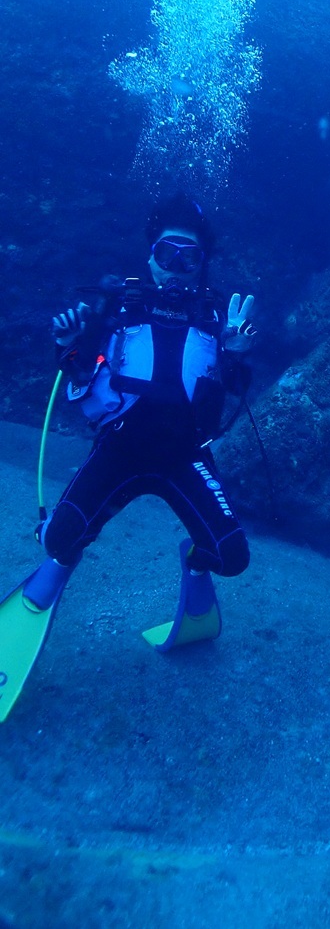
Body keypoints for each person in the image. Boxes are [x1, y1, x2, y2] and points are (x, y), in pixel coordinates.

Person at [0, 195, 256, 722]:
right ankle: (59, 566)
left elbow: (229, 393)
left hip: (185, 456)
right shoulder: (114, 311)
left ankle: (194, 560)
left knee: (231, 557)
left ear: (202, 262)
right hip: (120, 449)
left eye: (190, 257)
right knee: (57, 539)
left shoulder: (214, 320)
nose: (177, 268)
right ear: (150, 258)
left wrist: (236, 353)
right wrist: (69, 346)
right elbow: (78, 380)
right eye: (168, 253)